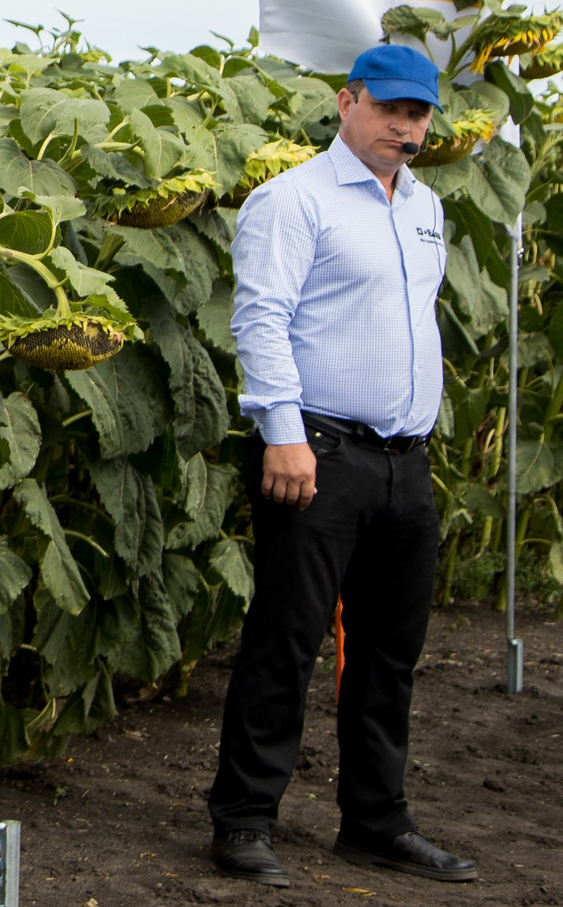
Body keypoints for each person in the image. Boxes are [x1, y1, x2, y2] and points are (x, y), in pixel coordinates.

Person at [206, 43, 477, 886]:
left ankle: (375, 820)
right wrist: (281, 431)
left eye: (420, 113)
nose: (407, 125)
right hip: (315, 451)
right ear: (345, 102)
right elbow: (261, 318)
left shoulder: (424, 206)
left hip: (404, 459)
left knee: (390, 651)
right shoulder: (293, 202)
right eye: (391, 108)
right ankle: (244, 820)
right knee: (285, 640)